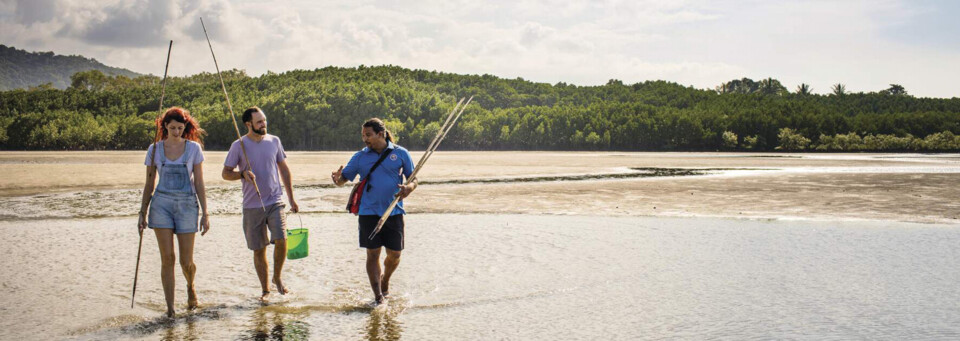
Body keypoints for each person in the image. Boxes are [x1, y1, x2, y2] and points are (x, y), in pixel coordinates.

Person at [331, 118, 417, 305]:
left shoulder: (400, 153)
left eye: (368, 135)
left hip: (394, 211)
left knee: (395, 254)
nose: (365, 139)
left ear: (381, 134)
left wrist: (408, 188)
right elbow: (343, 180)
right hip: (368, 211)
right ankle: (378, 295)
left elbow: (413, 179)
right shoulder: (360, 156)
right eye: (363, 135)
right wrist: (337, 179)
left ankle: (385, 279)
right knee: (372, 253)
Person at [137, 107, 211, 318]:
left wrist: (206, 213)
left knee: (185, 261)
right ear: (165, 127)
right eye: (172, 128)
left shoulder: (194, 148)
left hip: (187, 205)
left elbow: (199, 182)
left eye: (180, 128)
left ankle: (190, 286)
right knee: (167, 258)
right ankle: (170, 309)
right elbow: (149, 182)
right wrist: (142, 212)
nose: (177, 132)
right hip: (161, 205)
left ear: (185, 127)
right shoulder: (154, 150)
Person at [222, 106, 299, 301]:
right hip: (252, 205)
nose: (263, 124)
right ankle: (265, 290)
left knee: (281, 239)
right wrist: (241, 174)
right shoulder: (238, 145)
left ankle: (277, 277)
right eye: (259, 122)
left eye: (264, 120)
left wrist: (291, 198)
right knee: (259, 249)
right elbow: (226, 173)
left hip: (275, 200)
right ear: (248, 124)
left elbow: (285, 170)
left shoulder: (274, 141)